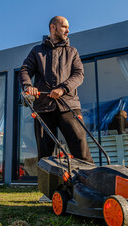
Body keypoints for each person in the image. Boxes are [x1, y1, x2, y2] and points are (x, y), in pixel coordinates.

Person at [18, 16, 93, 165]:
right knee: (45, 153)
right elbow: (25, 70)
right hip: (43, 108)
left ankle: (89, 182)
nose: (68, 30)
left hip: (68, 105)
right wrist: (27, 86)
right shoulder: (37, 51)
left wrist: (63, 89)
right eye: (64, 26)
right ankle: (50, 187)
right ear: (53, 27)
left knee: (80, 146)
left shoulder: (72, 52)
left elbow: (79, 75)